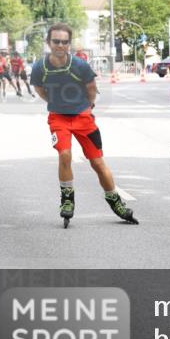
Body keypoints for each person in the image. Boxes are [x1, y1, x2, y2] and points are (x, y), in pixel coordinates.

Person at [30, 23, 138, 228]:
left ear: (69, 44)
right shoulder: (39, 67)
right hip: (58, 118)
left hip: (83, 118)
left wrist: (88, 107)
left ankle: (116, 203)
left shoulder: (80, 65)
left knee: (97, 163)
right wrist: (55, 102)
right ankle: (67, 199)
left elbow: (92, 88)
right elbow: (39, 89)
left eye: (64, 42)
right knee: (64, 154)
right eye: (56, 41)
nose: (60, 45)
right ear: (48, 42)